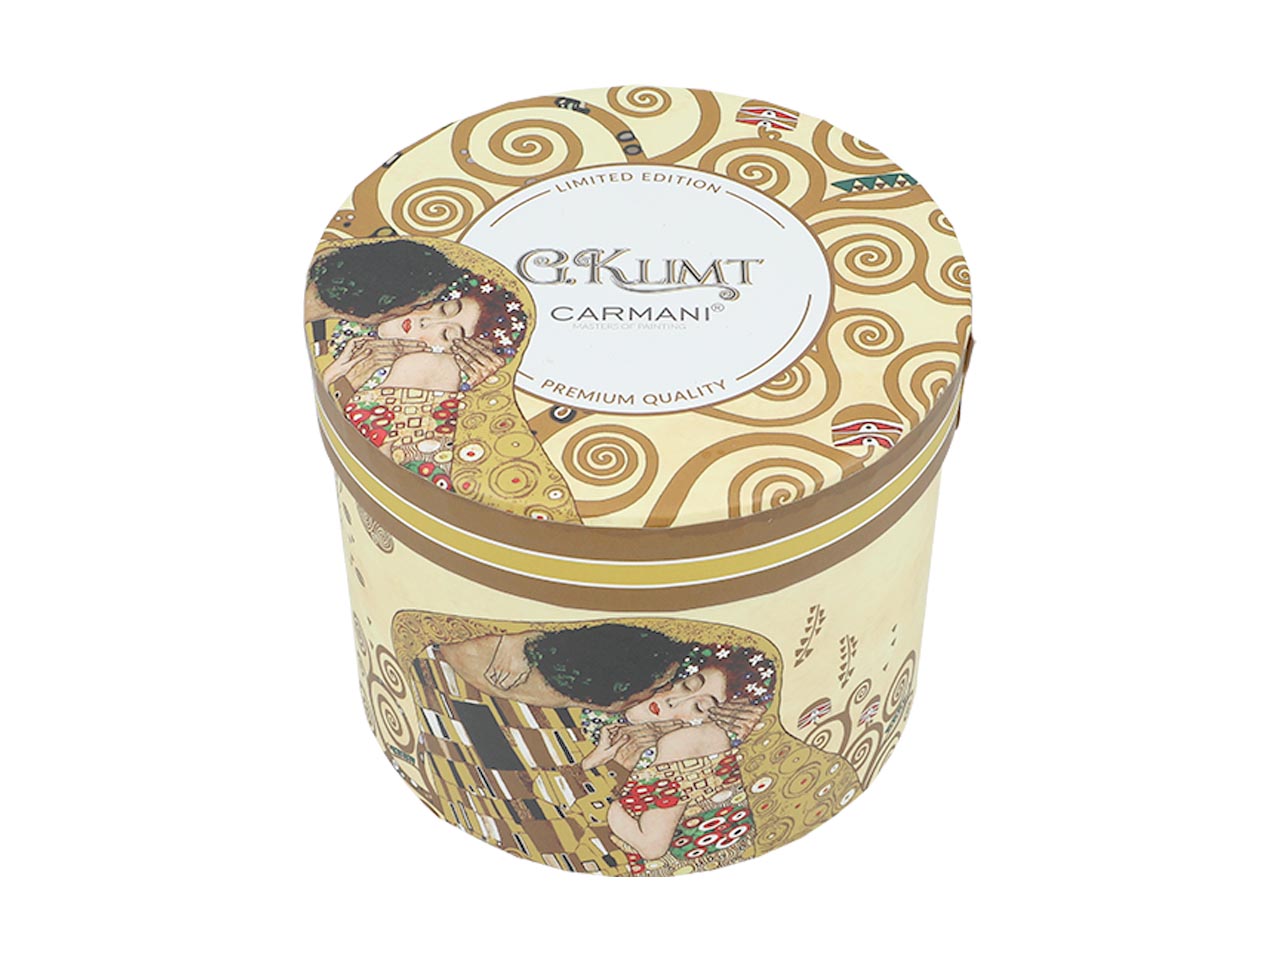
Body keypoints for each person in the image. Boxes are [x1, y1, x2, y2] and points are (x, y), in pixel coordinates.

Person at [308, 237, 579, 521]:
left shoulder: (432, 367)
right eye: (444, 308)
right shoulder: (347, 344)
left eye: (447, 335)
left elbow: (407, 479)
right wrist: (340, 379)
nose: (428, 321)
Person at [571, 643, 776, 875]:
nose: (674, 701)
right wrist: (593, 763)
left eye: (699, 707)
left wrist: (610, 800)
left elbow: (651, 846)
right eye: (687, 685)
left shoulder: (690, 741)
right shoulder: (607, 726)